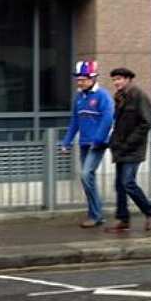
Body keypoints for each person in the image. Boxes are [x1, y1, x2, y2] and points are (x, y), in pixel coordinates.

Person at [60, 60, 114, 228]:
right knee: (87, 178)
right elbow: (75, 121)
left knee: (85, 175)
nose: (79, 82)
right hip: (84, 143)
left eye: (82, 79)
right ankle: (96, 214)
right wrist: (66, 142)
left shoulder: (102, 96)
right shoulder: (80, 97)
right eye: (78, 79)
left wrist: (98, 140)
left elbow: (108, 119)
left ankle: (96, 215)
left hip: (97, 144)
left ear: (92, 79)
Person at [106, 67, 151, 232]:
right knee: (120, 185)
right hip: (121, 148)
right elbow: (119, 123)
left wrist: (129, 142)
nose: (116, 82)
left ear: (129, 79)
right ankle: (123, 219)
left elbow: (146, 123)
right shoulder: (120, 97)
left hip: (133, 148)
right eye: (114, 79)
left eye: (119, 79)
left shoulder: (138, 96)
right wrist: (113, 142)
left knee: (127, 183)